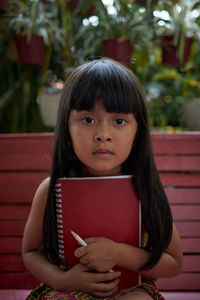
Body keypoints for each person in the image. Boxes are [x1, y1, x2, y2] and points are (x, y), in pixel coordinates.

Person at [22, 58, 183, 300]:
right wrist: (63, 280)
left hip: (131, 291)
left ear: (137, 132)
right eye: (88, 120)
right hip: (68, 289)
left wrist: (119, 254)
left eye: (119, 121)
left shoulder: (145, 189)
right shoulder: (51, 190)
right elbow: (31, 252)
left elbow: (173, 262)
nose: (103, 135)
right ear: (67, 130)